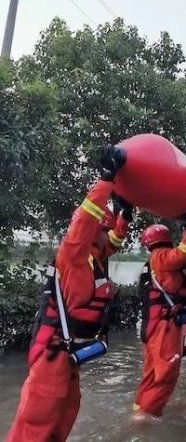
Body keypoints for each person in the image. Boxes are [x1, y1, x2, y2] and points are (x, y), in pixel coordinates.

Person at [7, 147, 130, 442]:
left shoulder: (94, 256)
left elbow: (112, 241)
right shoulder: (75, 253)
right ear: (95, 231)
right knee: (34, 427)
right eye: (105, 230)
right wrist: (106, 180)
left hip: (68, 357)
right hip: (52, 355)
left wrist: (123, 215)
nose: (107, 237)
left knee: (64, 418)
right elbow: (85, 221)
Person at [133, 223, 186, 418]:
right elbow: (182, 253)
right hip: (165, 327)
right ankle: (146, 418)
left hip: (155, 326)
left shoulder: (154, 261)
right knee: (165, 374)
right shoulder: (162, 257)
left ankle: (138, 411)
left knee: (152, 374)